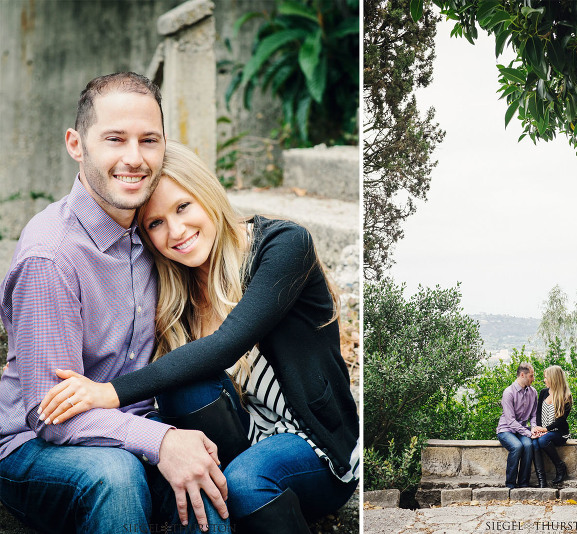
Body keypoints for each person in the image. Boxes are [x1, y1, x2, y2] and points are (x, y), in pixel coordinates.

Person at [37, 140, 360, 533]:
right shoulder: (175, 287)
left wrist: (109, 392)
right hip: (242, 436)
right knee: (182, 388)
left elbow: (227, 345)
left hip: (314, 444)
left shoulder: (283, 245)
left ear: (206, 193)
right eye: (155, 223)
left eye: (183, 207)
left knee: (245, 482)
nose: (176, 231)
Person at [0, 72, 229, 533]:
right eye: (115, 139)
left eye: (149, 140)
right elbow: (50, 413)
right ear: (76, 144)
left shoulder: (158, 235)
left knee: (206, 479)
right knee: (117, 477)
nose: (134, 158)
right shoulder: (52, 256)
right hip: (36, 448)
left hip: (133, 431)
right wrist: (161, 439)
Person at [496, 362, 538, 488]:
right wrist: (528, 433)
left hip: (522, 430)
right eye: (531, 376)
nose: (533, 379)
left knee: (528, 445)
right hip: (506, 430)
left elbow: (534, 415)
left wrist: (534, 428)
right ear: (522, 375)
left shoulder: (533, 392)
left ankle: (524, 483)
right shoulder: (508, 392)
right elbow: (510, 421)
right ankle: (510, 484)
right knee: (517, 446)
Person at [531, 365, 572, 487]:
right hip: (543, 430)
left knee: (543, 440)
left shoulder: (566, 396)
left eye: (546, 377)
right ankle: (542, 481)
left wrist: (546, 429)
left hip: (559, 432)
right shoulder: (544, 392)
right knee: (534, 442)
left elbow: (561, 420)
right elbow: (538, 412)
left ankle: (560, 466)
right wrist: (538, 428)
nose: (544, 380)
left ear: (554, 378)